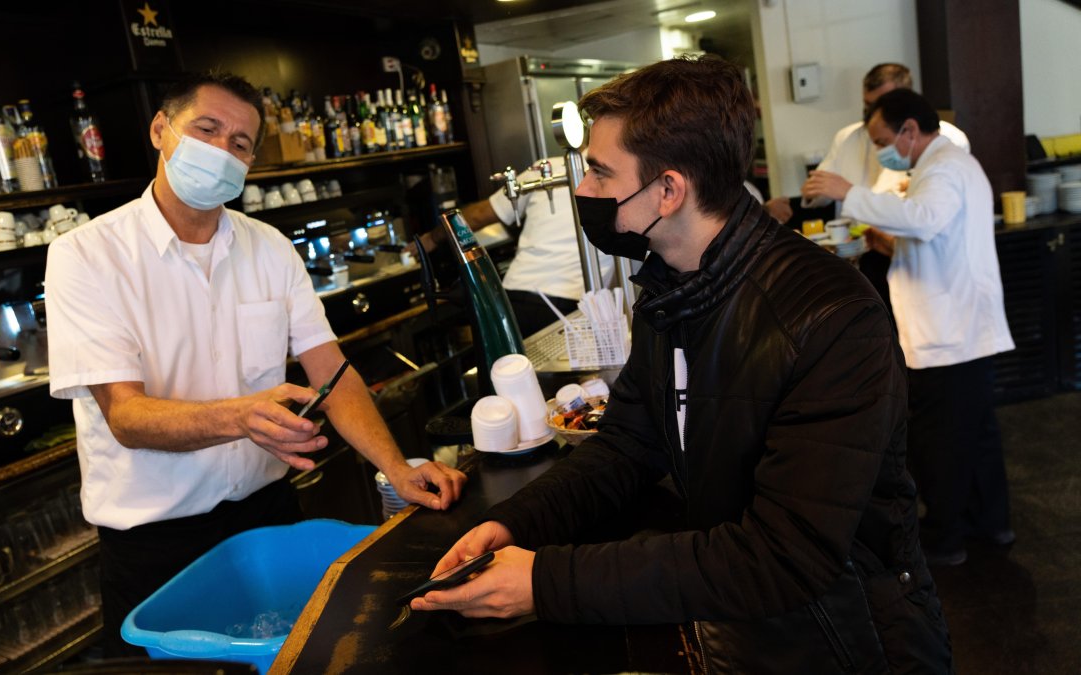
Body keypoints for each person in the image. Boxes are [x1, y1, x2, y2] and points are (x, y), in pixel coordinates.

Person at [412, 56, 952, 673]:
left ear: (668, 191)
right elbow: (625, 447)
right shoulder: (674, 289)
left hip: (846, 635)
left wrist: (545, 581)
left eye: (597, 171)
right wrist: (514, 527)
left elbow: (782, 557)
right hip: (739, 621)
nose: (581, 191)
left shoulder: (832, 319)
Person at [45, 72, 466, 656]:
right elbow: (127, 417)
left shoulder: (269, 247)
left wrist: (396, 469)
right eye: (207, 129)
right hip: (154, 543)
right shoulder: (86, 256)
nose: (222, 151)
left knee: (301, 662)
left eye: (241, 144)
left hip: (269, 517)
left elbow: (331, 371)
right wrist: (241, 417)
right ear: (160, 130)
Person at [803, 88, 1016, 568]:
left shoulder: (944, 167)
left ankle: (945, 539)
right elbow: (936, 240)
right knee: (976, 436)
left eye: (882, 139)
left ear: (909, 131)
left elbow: (924, 220)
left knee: (941, 442)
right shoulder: (944, 168)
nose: (882, 150)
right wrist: (887, 244)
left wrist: (848, 194)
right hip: (958, 326)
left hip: (951, 333)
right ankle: (993, 524)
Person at [412, 157, 613, 336]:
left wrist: (430, 239)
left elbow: (477, 216)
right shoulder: (616, 175)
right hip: (569, 306)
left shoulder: (546, 166)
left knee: (505, 373)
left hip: (510, 301)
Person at [764, 62, 970, 225]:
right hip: (856, 241)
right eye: (867, 105)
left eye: (881, 105)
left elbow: (922, 216)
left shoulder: (947, 143)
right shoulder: (848, 137)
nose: (872, 114)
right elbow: (824, 190)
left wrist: (850, 193)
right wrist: (815, 191)